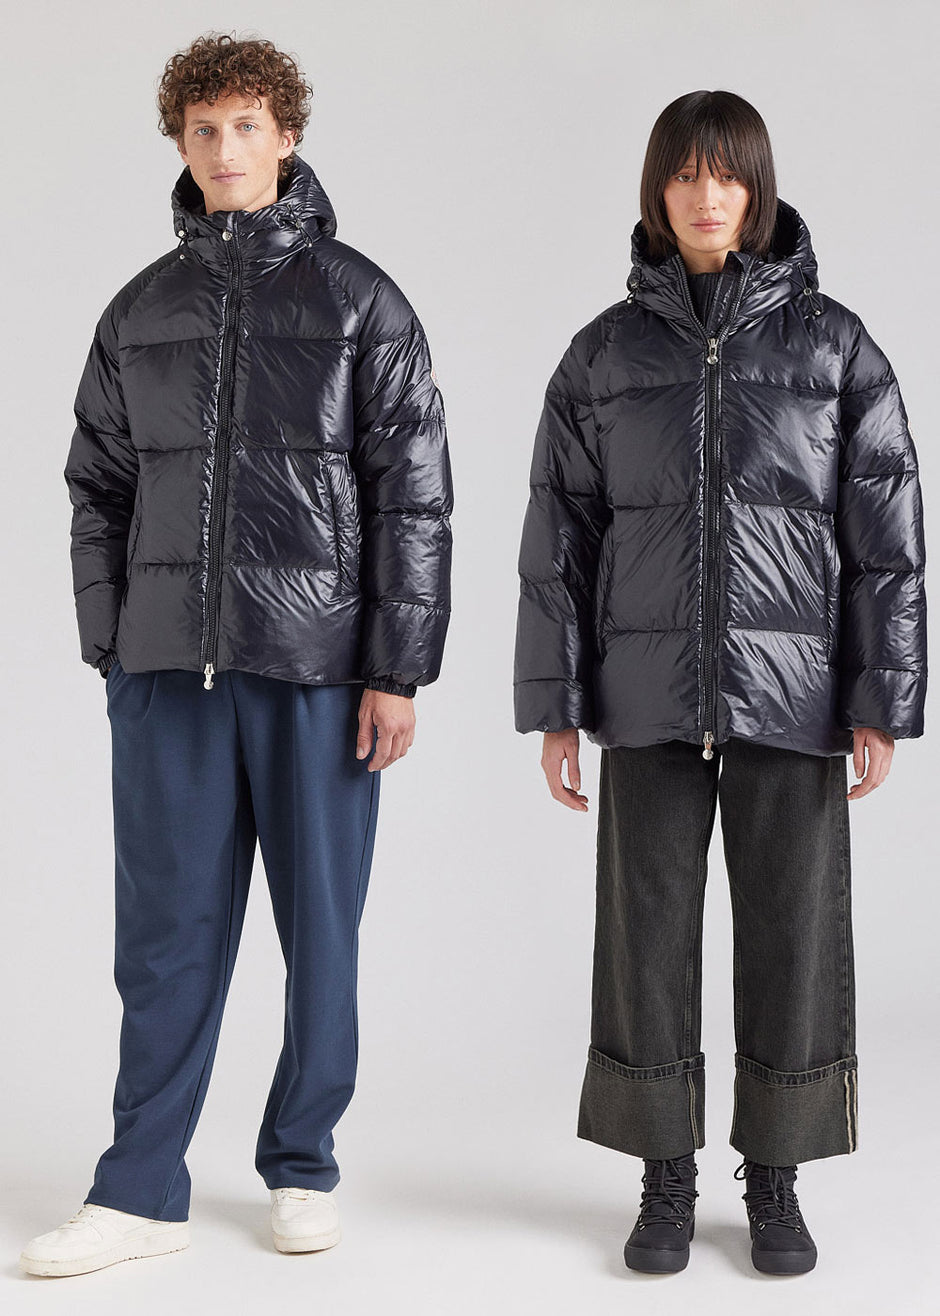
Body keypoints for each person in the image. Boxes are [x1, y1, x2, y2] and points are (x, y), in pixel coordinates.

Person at [21, 32, 452, 1279]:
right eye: (203, 129)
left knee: (321, 934)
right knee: (162, 936)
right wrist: (112, 643)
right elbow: (96, 484)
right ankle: (139, 1187)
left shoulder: (362, 301)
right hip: (167, 674)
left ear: (287, 135)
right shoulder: (138, 309)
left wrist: (396, 669)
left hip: (319, 668)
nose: (224, 149)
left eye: (245, 126)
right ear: (180, 142)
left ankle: (302, 1161)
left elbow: (413, 497)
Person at [513, 88, 926, 1276]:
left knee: (793, 937)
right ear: (658, 190)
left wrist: (878, 697)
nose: (706, 195)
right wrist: (555, 704)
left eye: (727, 174)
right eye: (685, 174)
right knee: (643, 941)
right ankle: (664, 1176)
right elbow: (557, 538)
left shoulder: (835, 348)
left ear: (757, 188)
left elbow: (887, 538)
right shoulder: (601, 355)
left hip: (792, 698)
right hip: (645, 695)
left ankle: (776, 1177)